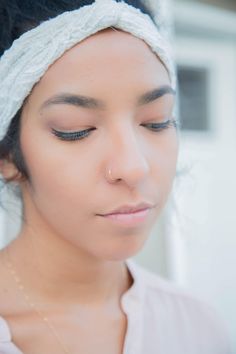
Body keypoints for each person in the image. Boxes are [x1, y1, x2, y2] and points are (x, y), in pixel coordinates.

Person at [0, 0, 231, 353]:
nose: (134, 167)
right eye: (76, 130)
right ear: (7, 156)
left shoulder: (200, 330)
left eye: (157, 121)